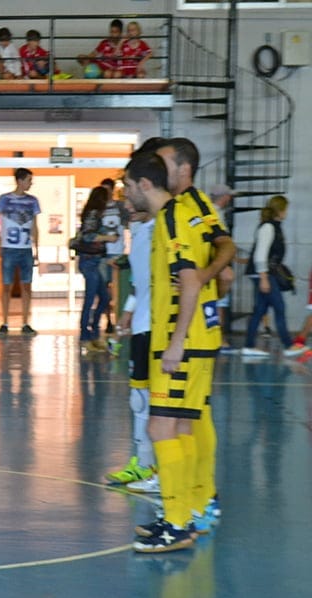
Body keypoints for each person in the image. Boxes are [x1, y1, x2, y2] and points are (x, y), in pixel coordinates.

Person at [122, 151, 221, 553]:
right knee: (177, 428)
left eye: (129, 187)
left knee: (160, 428)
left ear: (145, 185)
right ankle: (183, 515)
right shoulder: (173, 215)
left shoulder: (172, 218)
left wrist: (176, 343)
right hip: (187, 339)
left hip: (182, 342)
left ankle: (179, 521)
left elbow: (192, 281)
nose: (127, 196)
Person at [152, 137, 237, 517]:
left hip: (184, 332)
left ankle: (187, 509)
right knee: (193, 415)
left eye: (163, 164)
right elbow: (225, 259)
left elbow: (226, 249)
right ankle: (201, 500)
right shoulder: (181, 209)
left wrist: (203, 277)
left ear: (184, 169)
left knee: (177, 421)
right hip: (190, 330)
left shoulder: (188, 208)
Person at [105, 200, 158, 488]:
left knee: (159, 403)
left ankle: (154, 469)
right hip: (141, 327)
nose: (127, 201)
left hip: (158, 329)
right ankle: (143, 464)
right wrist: (125, 317)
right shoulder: (137, 232)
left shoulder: (161, 230)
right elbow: (139, 284)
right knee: (139, 400)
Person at [241, 196, 307, 358]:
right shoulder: (268, 228)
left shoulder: (274, 227)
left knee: (260, 310)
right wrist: (263, 277)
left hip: (263, 273)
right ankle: (288, 345)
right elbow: (260, 254)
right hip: (263, 273)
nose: (287, 212)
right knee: (279, 307)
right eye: (286, 209)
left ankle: (249, 345)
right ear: (280, 210)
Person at [0, 167, 40, 336]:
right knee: (7, 286)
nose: (30, 183)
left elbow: (35, 226)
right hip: (10, 248)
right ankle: (4, 322)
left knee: (27, 286)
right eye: (28, 180)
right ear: (19, 181)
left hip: (26, 249)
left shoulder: (33, 201)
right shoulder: (4, 199)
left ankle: (26, 322)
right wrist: (0, 242)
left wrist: (36, 249)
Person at [76, 185, 117, 351]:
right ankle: (86, 336)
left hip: (94, 261)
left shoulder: (94, 214)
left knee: (105, 298)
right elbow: (88, 236)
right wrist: (108, 237)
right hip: (89, 261)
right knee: (90, 299)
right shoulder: (94, 214)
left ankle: (93, 333)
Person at [207, 183, 235, 351]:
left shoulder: (211, 212)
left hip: (215, 263)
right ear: (224, 197)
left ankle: (216, 337)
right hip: (217, 265)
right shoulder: (214, 215)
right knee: (219, 302)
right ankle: (218, 338)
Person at [99, 177, 129, 333]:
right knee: (104, 289)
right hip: (104, 253)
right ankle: (109, 320)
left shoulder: (121, 207)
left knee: (118, 288)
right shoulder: (98, 209)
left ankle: (118, 319)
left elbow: (129, 223)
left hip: (117, 252)